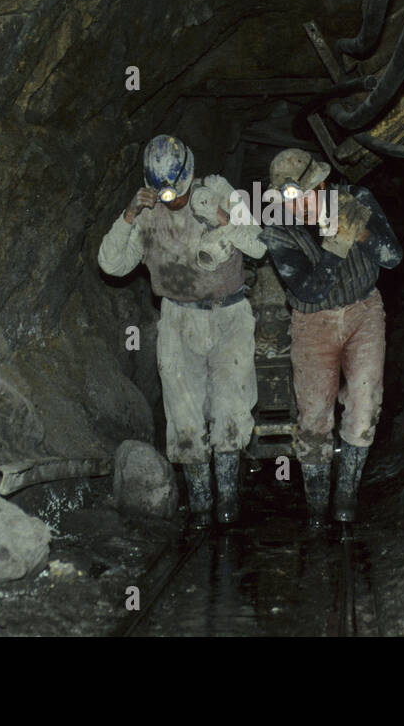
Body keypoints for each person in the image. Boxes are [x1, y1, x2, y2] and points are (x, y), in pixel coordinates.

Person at [97, 135, 263, 528]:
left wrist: (225, 220)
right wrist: (128, 215)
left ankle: (228, 507)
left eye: (178, 190)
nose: (172, 198)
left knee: (230, 412)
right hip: (177, 318)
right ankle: (203, 509)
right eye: (164, 191)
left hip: (229, 316)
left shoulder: (221, 191)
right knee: (184, 420)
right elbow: (111, 264)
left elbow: (259, 246)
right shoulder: (147, 214)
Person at [257, 148, 402, 528]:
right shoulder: (277, 228)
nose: (299, 205)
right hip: (312, 323)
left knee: (364, 405)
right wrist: (337, 245)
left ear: (322, 184)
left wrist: (363, 231)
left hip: (363, 312)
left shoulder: (357, 201)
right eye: (290, 198)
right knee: (314, 420)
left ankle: (346, 499)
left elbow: (393, 258)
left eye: (306, 194)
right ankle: (317, 510)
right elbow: (307, 291)